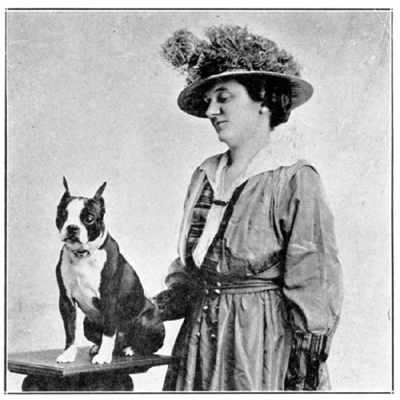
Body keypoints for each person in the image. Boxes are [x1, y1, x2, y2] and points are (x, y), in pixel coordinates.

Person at [153, 25, 343, 391]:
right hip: (199, 344)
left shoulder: (293, 178)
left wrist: (305, 363)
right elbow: (190, 270)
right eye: (208, 101)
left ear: (264, 102)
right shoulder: (205, 176)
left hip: (261, 342)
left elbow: (315, 281)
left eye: (224, 98)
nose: (212, 110)